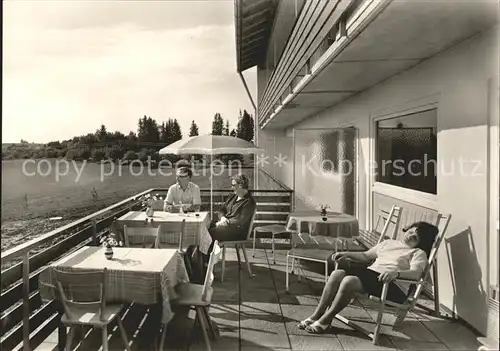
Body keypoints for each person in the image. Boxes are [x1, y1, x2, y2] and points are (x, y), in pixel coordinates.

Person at [298, 221, 438, 334]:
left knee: (348, 281)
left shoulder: (418, 253)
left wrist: (396, 273)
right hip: (372, 276)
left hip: (392, 285)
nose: (411, 235)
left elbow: (415, 273)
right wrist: (346, 253)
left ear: (421, 242)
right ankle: (316, 315)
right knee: (336, 274)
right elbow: (366, 256)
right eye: (411, 231)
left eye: (416, 236)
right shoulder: (388, 243)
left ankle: (326, 320)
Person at [207, 174, 256, 249]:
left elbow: (239, 221)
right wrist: (223, 218)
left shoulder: (249, 202)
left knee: (210, 232)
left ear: (241, 185)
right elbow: (221, 210)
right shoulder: (232, 196)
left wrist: (223, 223)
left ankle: (207, 258)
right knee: (204, 228)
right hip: (226, 227)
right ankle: (203, 258)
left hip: (237, 232)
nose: (231, 187)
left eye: (233, 185)